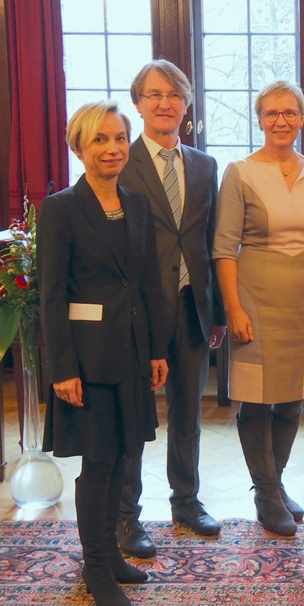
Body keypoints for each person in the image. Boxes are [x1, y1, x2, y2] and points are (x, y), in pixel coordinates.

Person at [38, 101, 169, 606]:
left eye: (119, 138)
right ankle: (94, 566)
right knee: (97, 462)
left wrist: (157, 349)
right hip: (88, 360)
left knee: (124, 456)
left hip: (133, 351)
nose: (112, 149)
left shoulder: (136, 205)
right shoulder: (60, 209)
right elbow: (51, 296)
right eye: (100, 140)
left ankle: (111, 555)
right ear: (79, 147)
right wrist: (62, 368)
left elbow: (148, 282)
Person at [114, 60, 226, 559]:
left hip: (192, 307)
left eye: (174, 95)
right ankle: (126, 516)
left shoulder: (205, 166)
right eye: (154, 95)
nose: (165, 104)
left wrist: (218, 311)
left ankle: (186, 500)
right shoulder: (119, 161)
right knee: (134, 417)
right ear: (138, 103)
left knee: (188, 414)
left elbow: (210, 240)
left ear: (186, 104)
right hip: (137, 313)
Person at [213, 79, 304, 538]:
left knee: (293, 395)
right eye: (271, 113)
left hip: (303, 297)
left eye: (289, 113)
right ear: (259, 119)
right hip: (255, 296)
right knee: (257, 397)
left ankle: (277, 484)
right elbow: (224, 247)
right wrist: (233, 308)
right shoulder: (240, 171)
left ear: (302, 118)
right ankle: (264, 493)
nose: (280, 121)